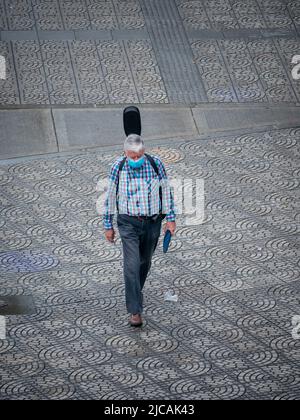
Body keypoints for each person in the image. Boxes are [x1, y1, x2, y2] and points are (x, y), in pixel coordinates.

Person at [103, 134, 176, 327]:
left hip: (152, 223)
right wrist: (108, 225)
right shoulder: (118, 167)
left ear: (144, 151)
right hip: (128, 223)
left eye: (139, 155)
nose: (136, 159)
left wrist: (171, 219)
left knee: (144, 262)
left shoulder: (155, 163)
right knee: (131, 265)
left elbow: (166, 191)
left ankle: (136, 292)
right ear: (125, 153)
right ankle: (135, 311)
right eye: (132, 156)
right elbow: (110, 197)